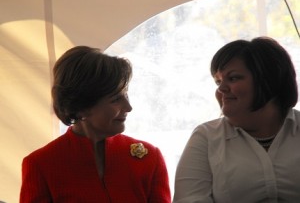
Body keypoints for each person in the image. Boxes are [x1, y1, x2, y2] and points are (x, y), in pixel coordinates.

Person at [20, 46, 171, 202]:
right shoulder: (42, 165)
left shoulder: (150, 159)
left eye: (126, 95)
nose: (128, 107)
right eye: (115, 99)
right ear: (81, 107)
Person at [173, 37, 300, 202]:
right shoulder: (206, 137)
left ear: (269, 80)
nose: (221, 89)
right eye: (218, 81)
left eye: (233, 78)